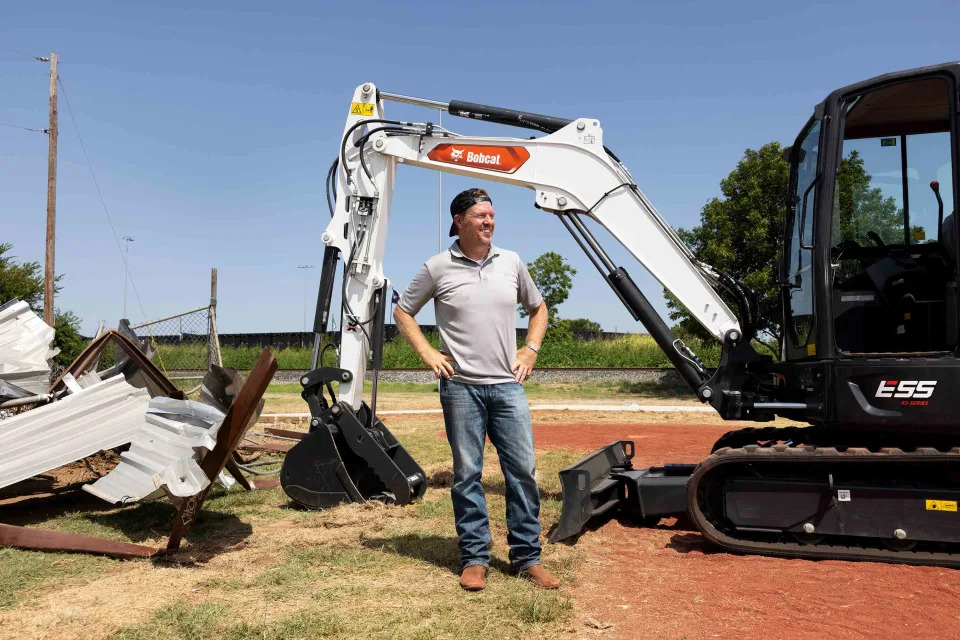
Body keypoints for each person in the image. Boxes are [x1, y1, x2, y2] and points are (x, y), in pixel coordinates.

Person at [394, 187, 559, 591]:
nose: (489, 222)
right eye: (480, 216)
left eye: (492, 215)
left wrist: (531, 350)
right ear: (459, 221)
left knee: (521, 471)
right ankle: (474, 558)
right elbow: (402, 311)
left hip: (507, 386)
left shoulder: (512, 262)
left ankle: (527, 557)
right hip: (460, 388)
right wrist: (428, 353)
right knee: (467, 474)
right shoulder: (437, 267)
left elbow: (538, 308)